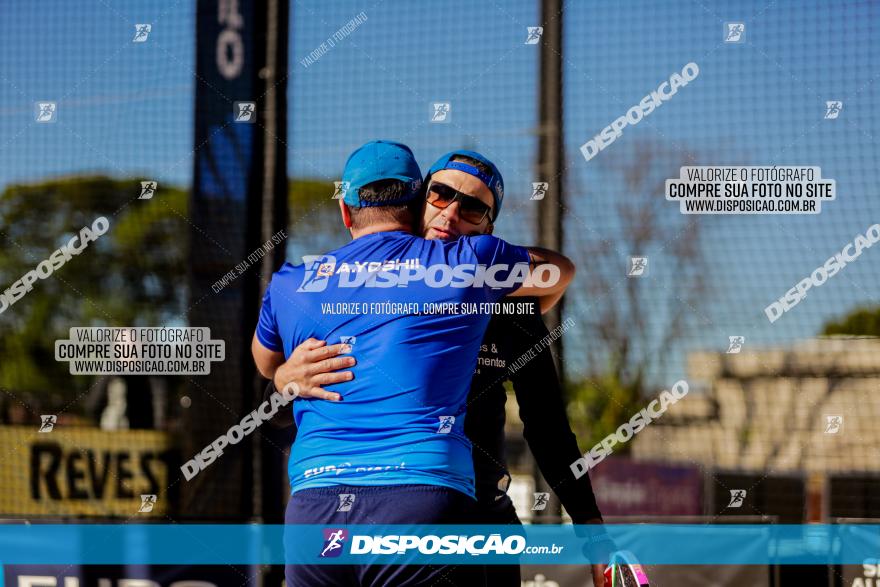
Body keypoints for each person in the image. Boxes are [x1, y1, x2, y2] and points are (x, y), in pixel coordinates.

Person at [269, 149, 607, 586]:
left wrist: (593, 534)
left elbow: (548, 428)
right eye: (441, 194)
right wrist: (283, 379)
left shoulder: (511, 309)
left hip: (479, 525)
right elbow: (278, 413)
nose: (450, 213)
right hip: (364, 517)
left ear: (488, 228)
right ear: (414, 200)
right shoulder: (354, 291)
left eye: (472, 207)